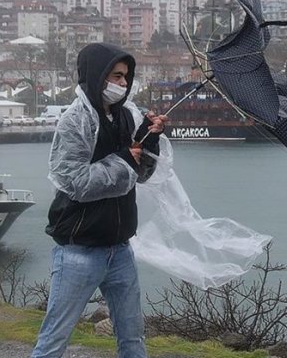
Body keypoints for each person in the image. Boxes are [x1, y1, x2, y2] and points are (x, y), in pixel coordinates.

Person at [31, 43, 166, 358]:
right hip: (79, 251)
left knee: (133, 340)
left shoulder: (126, 118)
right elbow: (74, 183)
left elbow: (139, 175)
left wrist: (149, 139)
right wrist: (123, 159)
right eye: (115, 75)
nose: (121, 84)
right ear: (96, 75)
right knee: (53, 342)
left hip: (120, 249)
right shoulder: (74, 122)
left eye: (125, 77)